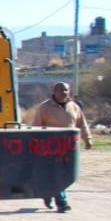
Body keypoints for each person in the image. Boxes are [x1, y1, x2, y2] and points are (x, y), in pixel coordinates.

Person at [31, 81, 93, 212]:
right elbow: (36, 127)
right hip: (50, 147)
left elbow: (82, 124)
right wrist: (35, 146)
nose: (63, 93)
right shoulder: (45, 108)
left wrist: (87, 139)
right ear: (54, 92)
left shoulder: (74, 107)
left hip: (69, 147)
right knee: (56, 174)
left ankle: (47, 193)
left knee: (64, 174)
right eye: (60, 90)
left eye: (66, 90)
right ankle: (62, 202)